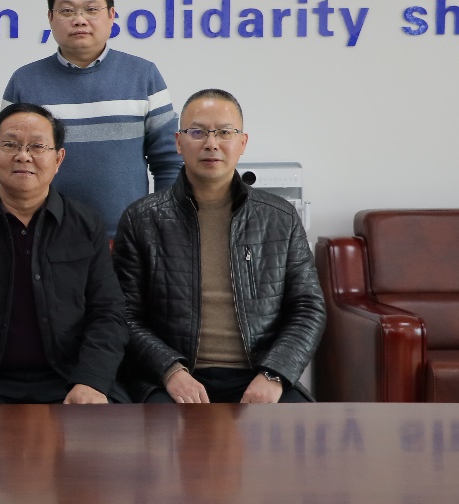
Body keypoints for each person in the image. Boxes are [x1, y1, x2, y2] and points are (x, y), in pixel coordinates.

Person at [113, 89, 326, 403]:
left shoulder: (280, 217)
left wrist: (274, 374)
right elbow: (124, 314)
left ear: (242, 142)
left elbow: (308, 308)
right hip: (173, 377)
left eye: (225, 132)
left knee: (294, 429)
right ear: (178, 142)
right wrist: (170, 371)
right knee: (162, 430)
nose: (211, 143)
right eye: (197, 132)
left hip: (259, 373)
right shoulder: (141, 219)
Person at [0, 103, 128, 404]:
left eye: (37, 146)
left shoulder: (86, 224)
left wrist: (91, 380)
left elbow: (108, 312)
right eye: (10, 145)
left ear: (58, 158)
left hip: (70, 379)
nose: (23, 156)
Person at [1, 0, 181, 237]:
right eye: (67, 11)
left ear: (111, 15)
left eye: (91, 9)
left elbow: (168, 161)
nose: (79, 19)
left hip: (127, 239)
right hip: (43, 239)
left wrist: (163, 226)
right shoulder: (24, 82)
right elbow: (6, 163)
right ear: (50, 17)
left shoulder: (143, 75)